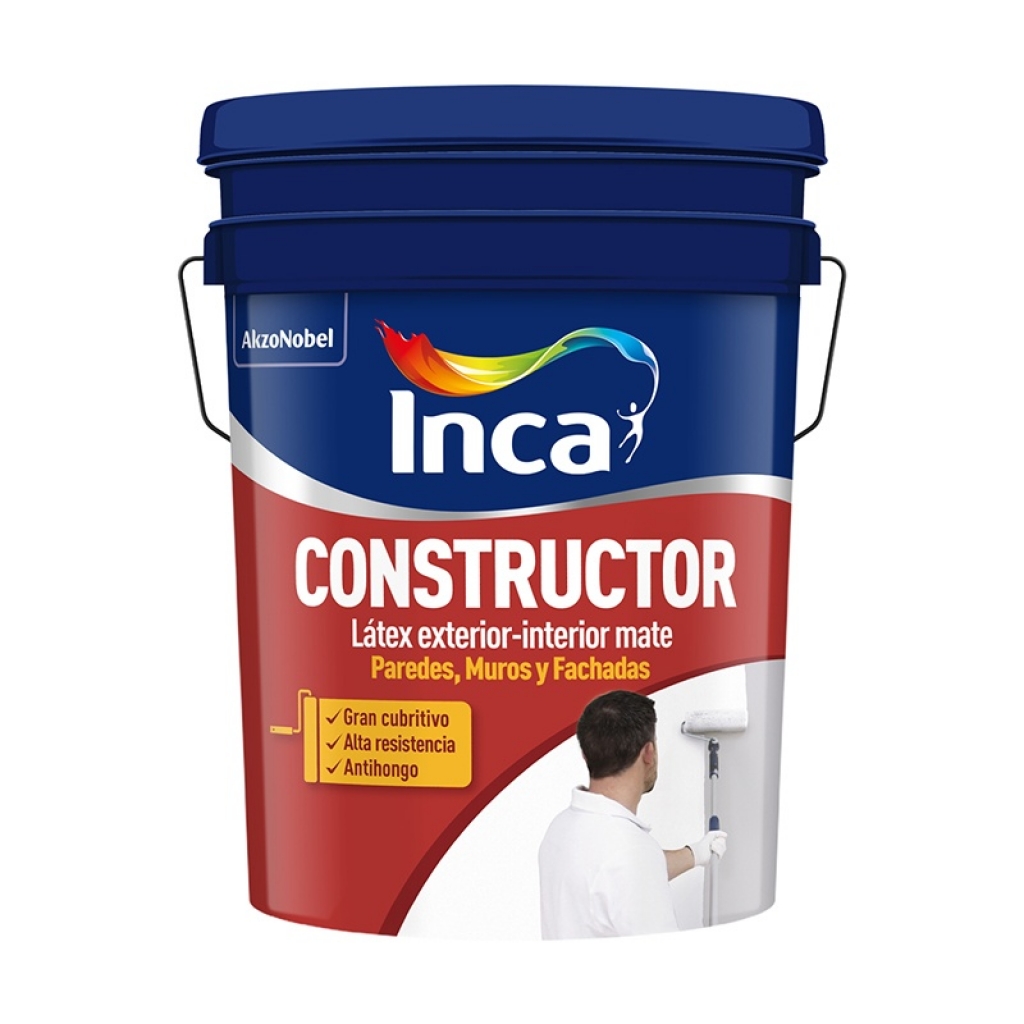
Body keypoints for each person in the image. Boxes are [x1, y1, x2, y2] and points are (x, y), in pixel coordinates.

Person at [538, 689, 727, 939]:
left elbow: (615, 875)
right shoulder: (631, 853)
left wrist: (696, 853)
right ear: (648, 752)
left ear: (585, 753)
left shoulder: (562, 827)